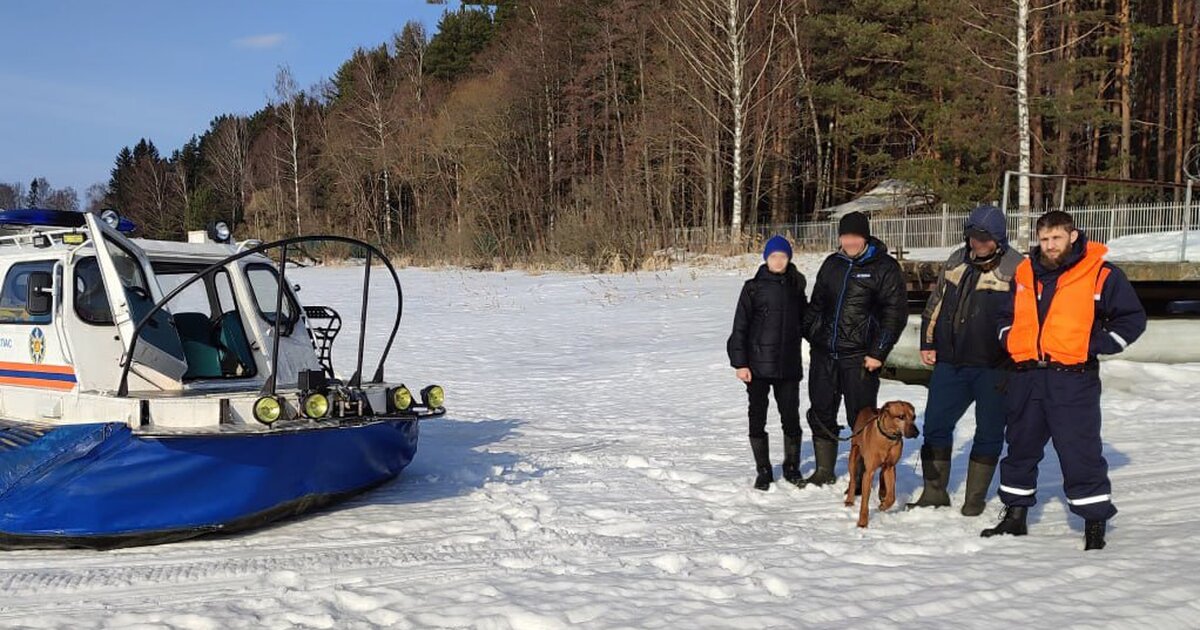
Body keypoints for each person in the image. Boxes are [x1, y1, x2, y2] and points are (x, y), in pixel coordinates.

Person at [981, 210, 1146, 550]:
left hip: (1072, 378)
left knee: (1079, 450)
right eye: (1044, 239)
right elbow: (1004, 314)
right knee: (1020, 447)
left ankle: (1093, 522)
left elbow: (1131, 319)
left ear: (1072, 236)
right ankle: (1015, 515)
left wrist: (1091, 345)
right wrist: (1008, 337)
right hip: (1026, 375)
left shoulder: (1100, 273)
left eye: (1056, 238)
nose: (1050, 245)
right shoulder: (1025, 272)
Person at [909, 205, 1024, 516]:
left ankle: (974, 499)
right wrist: (928, 340)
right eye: (972, 236)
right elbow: (936, 302)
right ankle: (934, 492)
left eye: (984, 238)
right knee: (935, 425)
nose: (977, 243)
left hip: (995, 366)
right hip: (952, 361)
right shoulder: (957, 259)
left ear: (998, 239)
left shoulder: (1017, 268)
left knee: (988, 432)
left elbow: (1028, 319)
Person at [802, 211, 907, 487]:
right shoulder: (832, 264)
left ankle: (860, 475)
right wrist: (811, 332)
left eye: (855, 236)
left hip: (860, 358)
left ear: (865, 236)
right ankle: (824, 470)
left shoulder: (884, 267)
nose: (849, 241)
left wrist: (878, 352)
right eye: (845, 236)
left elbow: (894, 315)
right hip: (825, 353)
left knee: (860, 417)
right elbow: (817, 304)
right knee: (821, 409)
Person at [727, 235, 808, 490]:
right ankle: (763, 469)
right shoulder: (752, 288)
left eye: (783, 257)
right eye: (773, 256)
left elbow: (806, 321)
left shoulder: (797, 285)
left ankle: (792, 467)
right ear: (766, 259)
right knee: (757, 417)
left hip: (788, 366)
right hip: (757, 367)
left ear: (789, 259)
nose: (778, 261)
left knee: (791, 418)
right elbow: (739, 327)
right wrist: (740, 363)